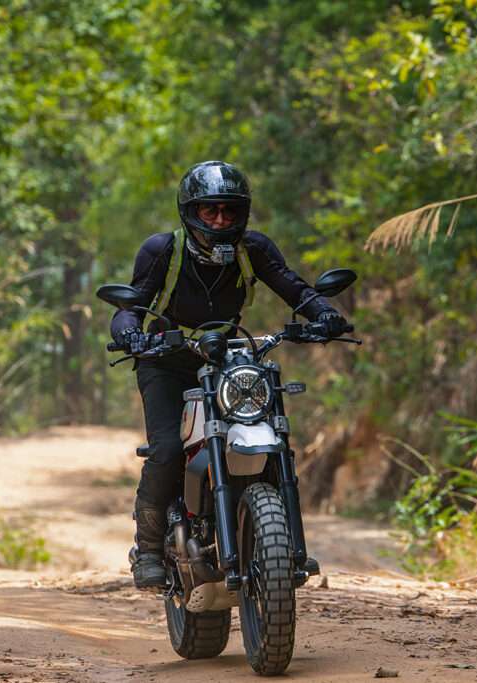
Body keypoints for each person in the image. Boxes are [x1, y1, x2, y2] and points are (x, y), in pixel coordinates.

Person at [110, 160, 349, 590]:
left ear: (243, 214)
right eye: (210, 211)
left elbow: (294, 288)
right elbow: (130, 306)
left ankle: (285, 543)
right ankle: (147, 549)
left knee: (273, 433)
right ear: (190, 211)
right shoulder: (162, 250)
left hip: (227, 359)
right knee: (165, 449)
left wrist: (325, 314)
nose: (221, 220)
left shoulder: (253, 249)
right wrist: (132, 337)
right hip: (167, 361)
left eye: (230, 211)